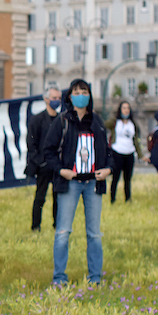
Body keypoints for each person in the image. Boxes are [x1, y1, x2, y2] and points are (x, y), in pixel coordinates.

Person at [43, 79, 111, 287]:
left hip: (93, 183)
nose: (80, 94)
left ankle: (95, 277)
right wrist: (61, 170)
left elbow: (108, 152)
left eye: (84, 90)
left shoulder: (97, 122)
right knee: (63, 231)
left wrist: (108, 169)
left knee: (94, 233)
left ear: (89, 95)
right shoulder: (62, 121)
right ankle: (59, 277)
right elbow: (49, 150)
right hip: (70, 183)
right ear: (70, 96)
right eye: (76, 91)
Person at [25, 87, 62, 231]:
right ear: (46, 99)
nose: (57, 101)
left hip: (57, 165)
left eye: (59, 98)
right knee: (40, 197)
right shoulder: (37, 119)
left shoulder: (61, 119)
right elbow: (31, 143)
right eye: (54, 98)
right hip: (43, 166)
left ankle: (57, 225)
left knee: (58, 197)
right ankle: (36, 226)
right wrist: (40, 161)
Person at [106, 99, 146, 203]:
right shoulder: (115, 122)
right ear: (120, 110)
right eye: (124, 108)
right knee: (115, 177)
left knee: (127, 179)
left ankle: (128, 199)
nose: (126, 110)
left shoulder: (133, 124)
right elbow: (104, 125)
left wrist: (141, 155)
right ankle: (112, 199)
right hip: (117, 152)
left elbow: (136, 141)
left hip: (129, 153)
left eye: (128, 108)